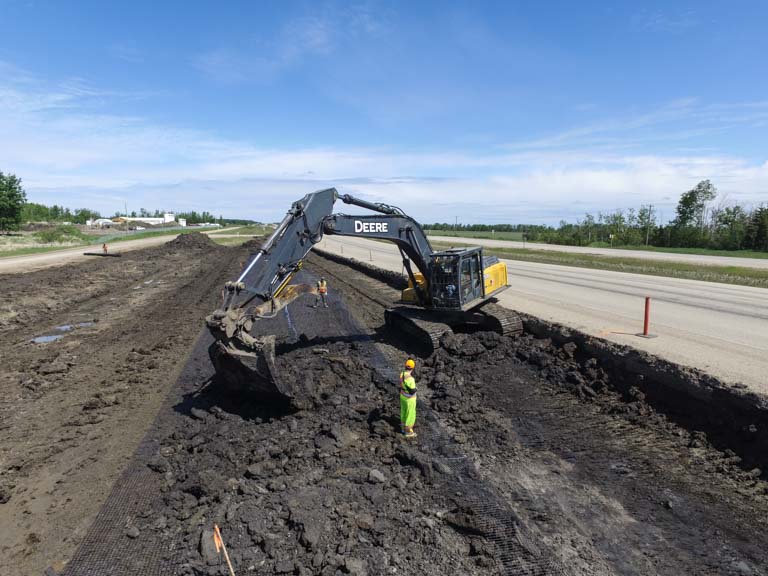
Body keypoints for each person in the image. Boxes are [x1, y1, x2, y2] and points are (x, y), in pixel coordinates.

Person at [399, 358, 417, 438]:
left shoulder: (402, 374)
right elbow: (412, 391)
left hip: (402, 396)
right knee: (410, 415)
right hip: (410, 400)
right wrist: (416, 389)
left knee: (403, 412)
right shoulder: (411, 379)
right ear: (413, 368)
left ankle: (402, 428)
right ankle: (408, 432)